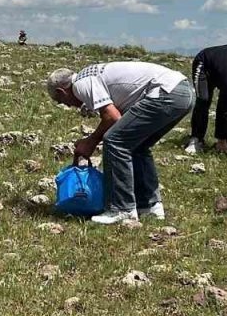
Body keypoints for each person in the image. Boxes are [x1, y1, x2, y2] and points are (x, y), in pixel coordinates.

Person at [46, 62, 193, 225]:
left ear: (61, 91)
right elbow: (119, 116)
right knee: (138, 146)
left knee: (115, 141)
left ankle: (122, 208)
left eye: (61, 101)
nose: (67, 105)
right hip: (183, 92)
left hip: (165, 93)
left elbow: (112, 117)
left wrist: (90, 142)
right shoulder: (89, 76)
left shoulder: (81, 85)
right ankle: (149, 206)